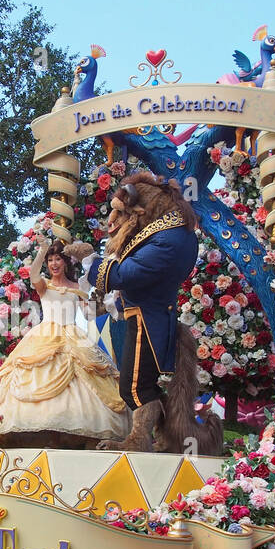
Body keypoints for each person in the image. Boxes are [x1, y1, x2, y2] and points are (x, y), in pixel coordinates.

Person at [85, 172, 201, 450]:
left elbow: (127, 274)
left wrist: (90, 263)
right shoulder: (167, 234)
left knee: (135, 387)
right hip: (143, 314)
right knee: (138, 384)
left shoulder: (168, 239)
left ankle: (139, 439)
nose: (116, 222)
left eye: (123, 214)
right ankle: (162, 437)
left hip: (148, 318)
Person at [0, 236, 130, 444]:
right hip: (45, 337)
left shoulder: (77, 286)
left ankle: (73, 434)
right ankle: (44, 432)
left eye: (58, 259)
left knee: (86, 379)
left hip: (73, 336)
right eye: (50, 260)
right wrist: (42, 251)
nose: (54, 264)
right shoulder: (44, 285)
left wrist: (93, 292)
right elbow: (33, 274)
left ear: (66, 262)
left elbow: (89, 315)